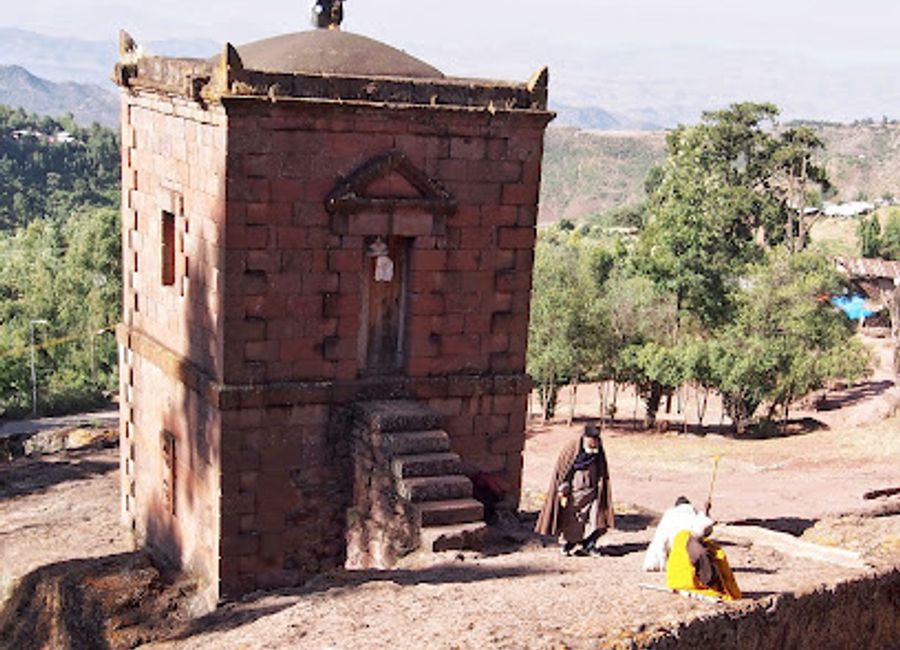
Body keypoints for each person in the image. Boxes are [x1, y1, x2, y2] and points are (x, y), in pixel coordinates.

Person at [535, 423, 614, 555]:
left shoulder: (598, 450)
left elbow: (602, 469)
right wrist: (563, 488)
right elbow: (563, 471)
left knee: (596, 519)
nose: (594, 444)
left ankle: (589, 545)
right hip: (575, 493)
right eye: (592, 441)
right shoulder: (572, 449)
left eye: (596, 441)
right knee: (574, 522)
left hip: (593, 492)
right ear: (586, 438)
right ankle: (569, 544)